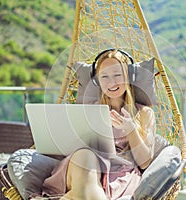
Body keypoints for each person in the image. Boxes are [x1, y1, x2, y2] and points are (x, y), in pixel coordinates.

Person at [38, 49, 157, 200]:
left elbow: (145, 163)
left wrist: (131, 129)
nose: (111, 82)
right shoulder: (86, 112)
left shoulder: (144, 113)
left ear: (128, 77)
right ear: (97, 81)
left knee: (83, 190)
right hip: (81, 167)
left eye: (117, 75)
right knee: (85, 155)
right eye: (105, 76)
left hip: (118, 175)